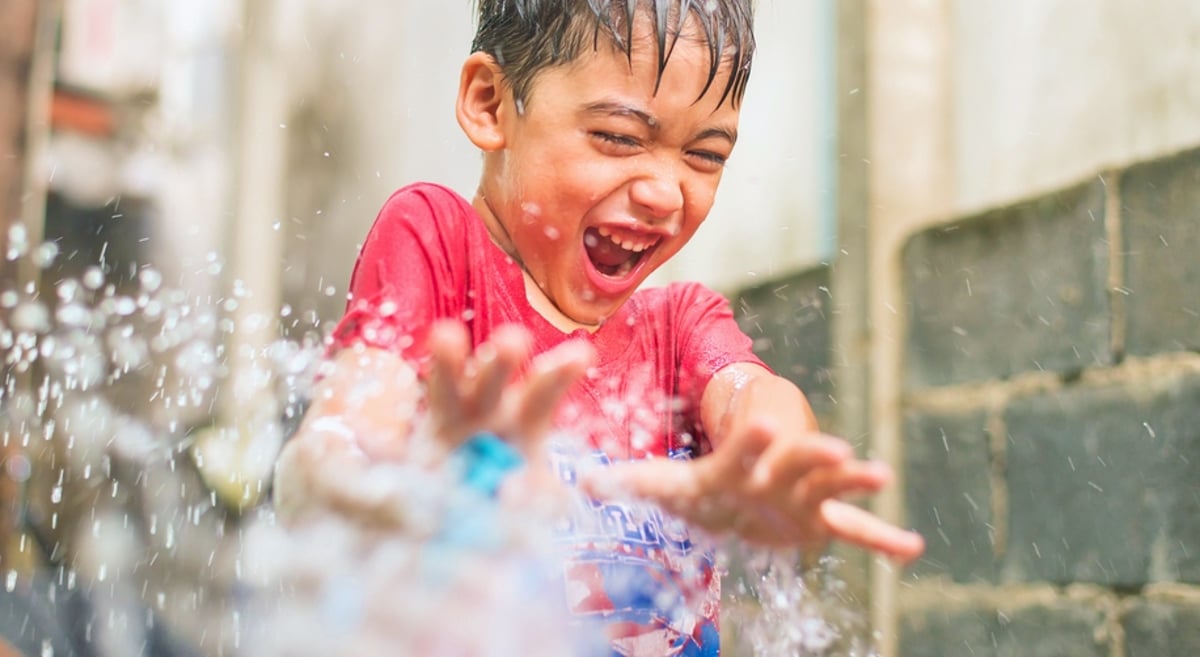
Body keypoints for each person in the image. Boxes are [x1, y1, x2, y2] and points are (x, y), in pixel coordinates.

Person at [274, 1, 925, 654]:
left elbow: (754, 396)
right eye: (619, 137)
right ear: (491, 103)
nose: (665, 192)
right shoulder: (440, 246)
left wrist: (772, 462)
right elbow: (335, 447)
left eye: (704, 154)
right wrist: (396, 481)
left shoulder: (678, 327)